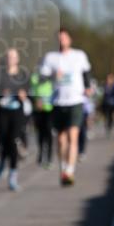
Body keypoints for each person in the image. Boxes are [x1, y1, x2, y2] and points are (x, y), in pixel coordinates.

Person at [39, 29, 91, 186]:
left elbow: (86, 73)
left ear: (70, 39)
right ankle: (63, 167)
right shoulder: (51, 58)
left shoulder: (79, 55)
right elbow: (42, 77)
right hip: (58, 102)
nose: (62, 41)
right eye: (59, 39)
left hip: (76, 100)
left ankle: (69, 171)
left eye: (64, 38)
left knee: (73, 136)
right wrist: (53, 76)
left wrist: (88, 87)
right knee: (61, 140)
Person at [0, 48, 28, 192]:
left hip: (17, 113)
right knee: (3, 140)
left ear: (18, 59)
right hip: (2, 113)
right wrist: (0, 95)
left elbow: (29, 91)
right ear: (5, 59)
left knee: (13, 142)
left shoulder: (23, 75)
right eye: (9, 56)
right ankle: (2, 160)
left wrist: (24, 95)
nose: (11, 59)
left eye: (14, 56)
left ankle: (13, 176)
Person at [28, 65, 54, 167]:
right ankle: (40, 154)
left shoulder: (52, 79)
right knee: (40, 134)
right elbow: (30, 92)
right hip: (37, 110)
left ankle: (49, 157)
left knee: (49, 133)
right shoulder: (34, 78)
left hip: (49, 110)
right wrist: (35, 101)